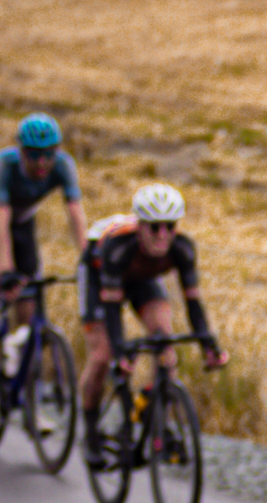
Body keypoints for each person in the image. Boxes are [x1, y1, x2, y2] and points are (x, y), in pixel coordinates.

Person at [76, 183, 228, 454]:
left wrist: (209, 346)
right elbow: (112, 310)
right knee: (102, 355)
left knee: (165, 346)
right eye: (154, 227)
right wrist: (120, 354)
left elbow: (193, 302)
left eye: (170, 226)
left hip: (142, 279)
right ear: (139, 226)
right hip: (100, 278)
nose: (162, 235)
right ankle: (90, 432)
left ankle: (156, 414)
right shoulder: (118, 247)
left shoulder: (182, 249)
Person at [0, 113, 89, 369]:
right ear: (20, 150)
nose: (42, 161)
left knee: (29, 290)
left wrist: (88, 258)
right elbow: (0, 225)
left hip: (21, 222)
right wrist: (8, 270)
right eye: (33, 154)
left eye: (49, 153)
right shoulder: (4, 166)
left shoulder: (63, 166)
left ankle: (17, 350)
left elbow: (75, 213)